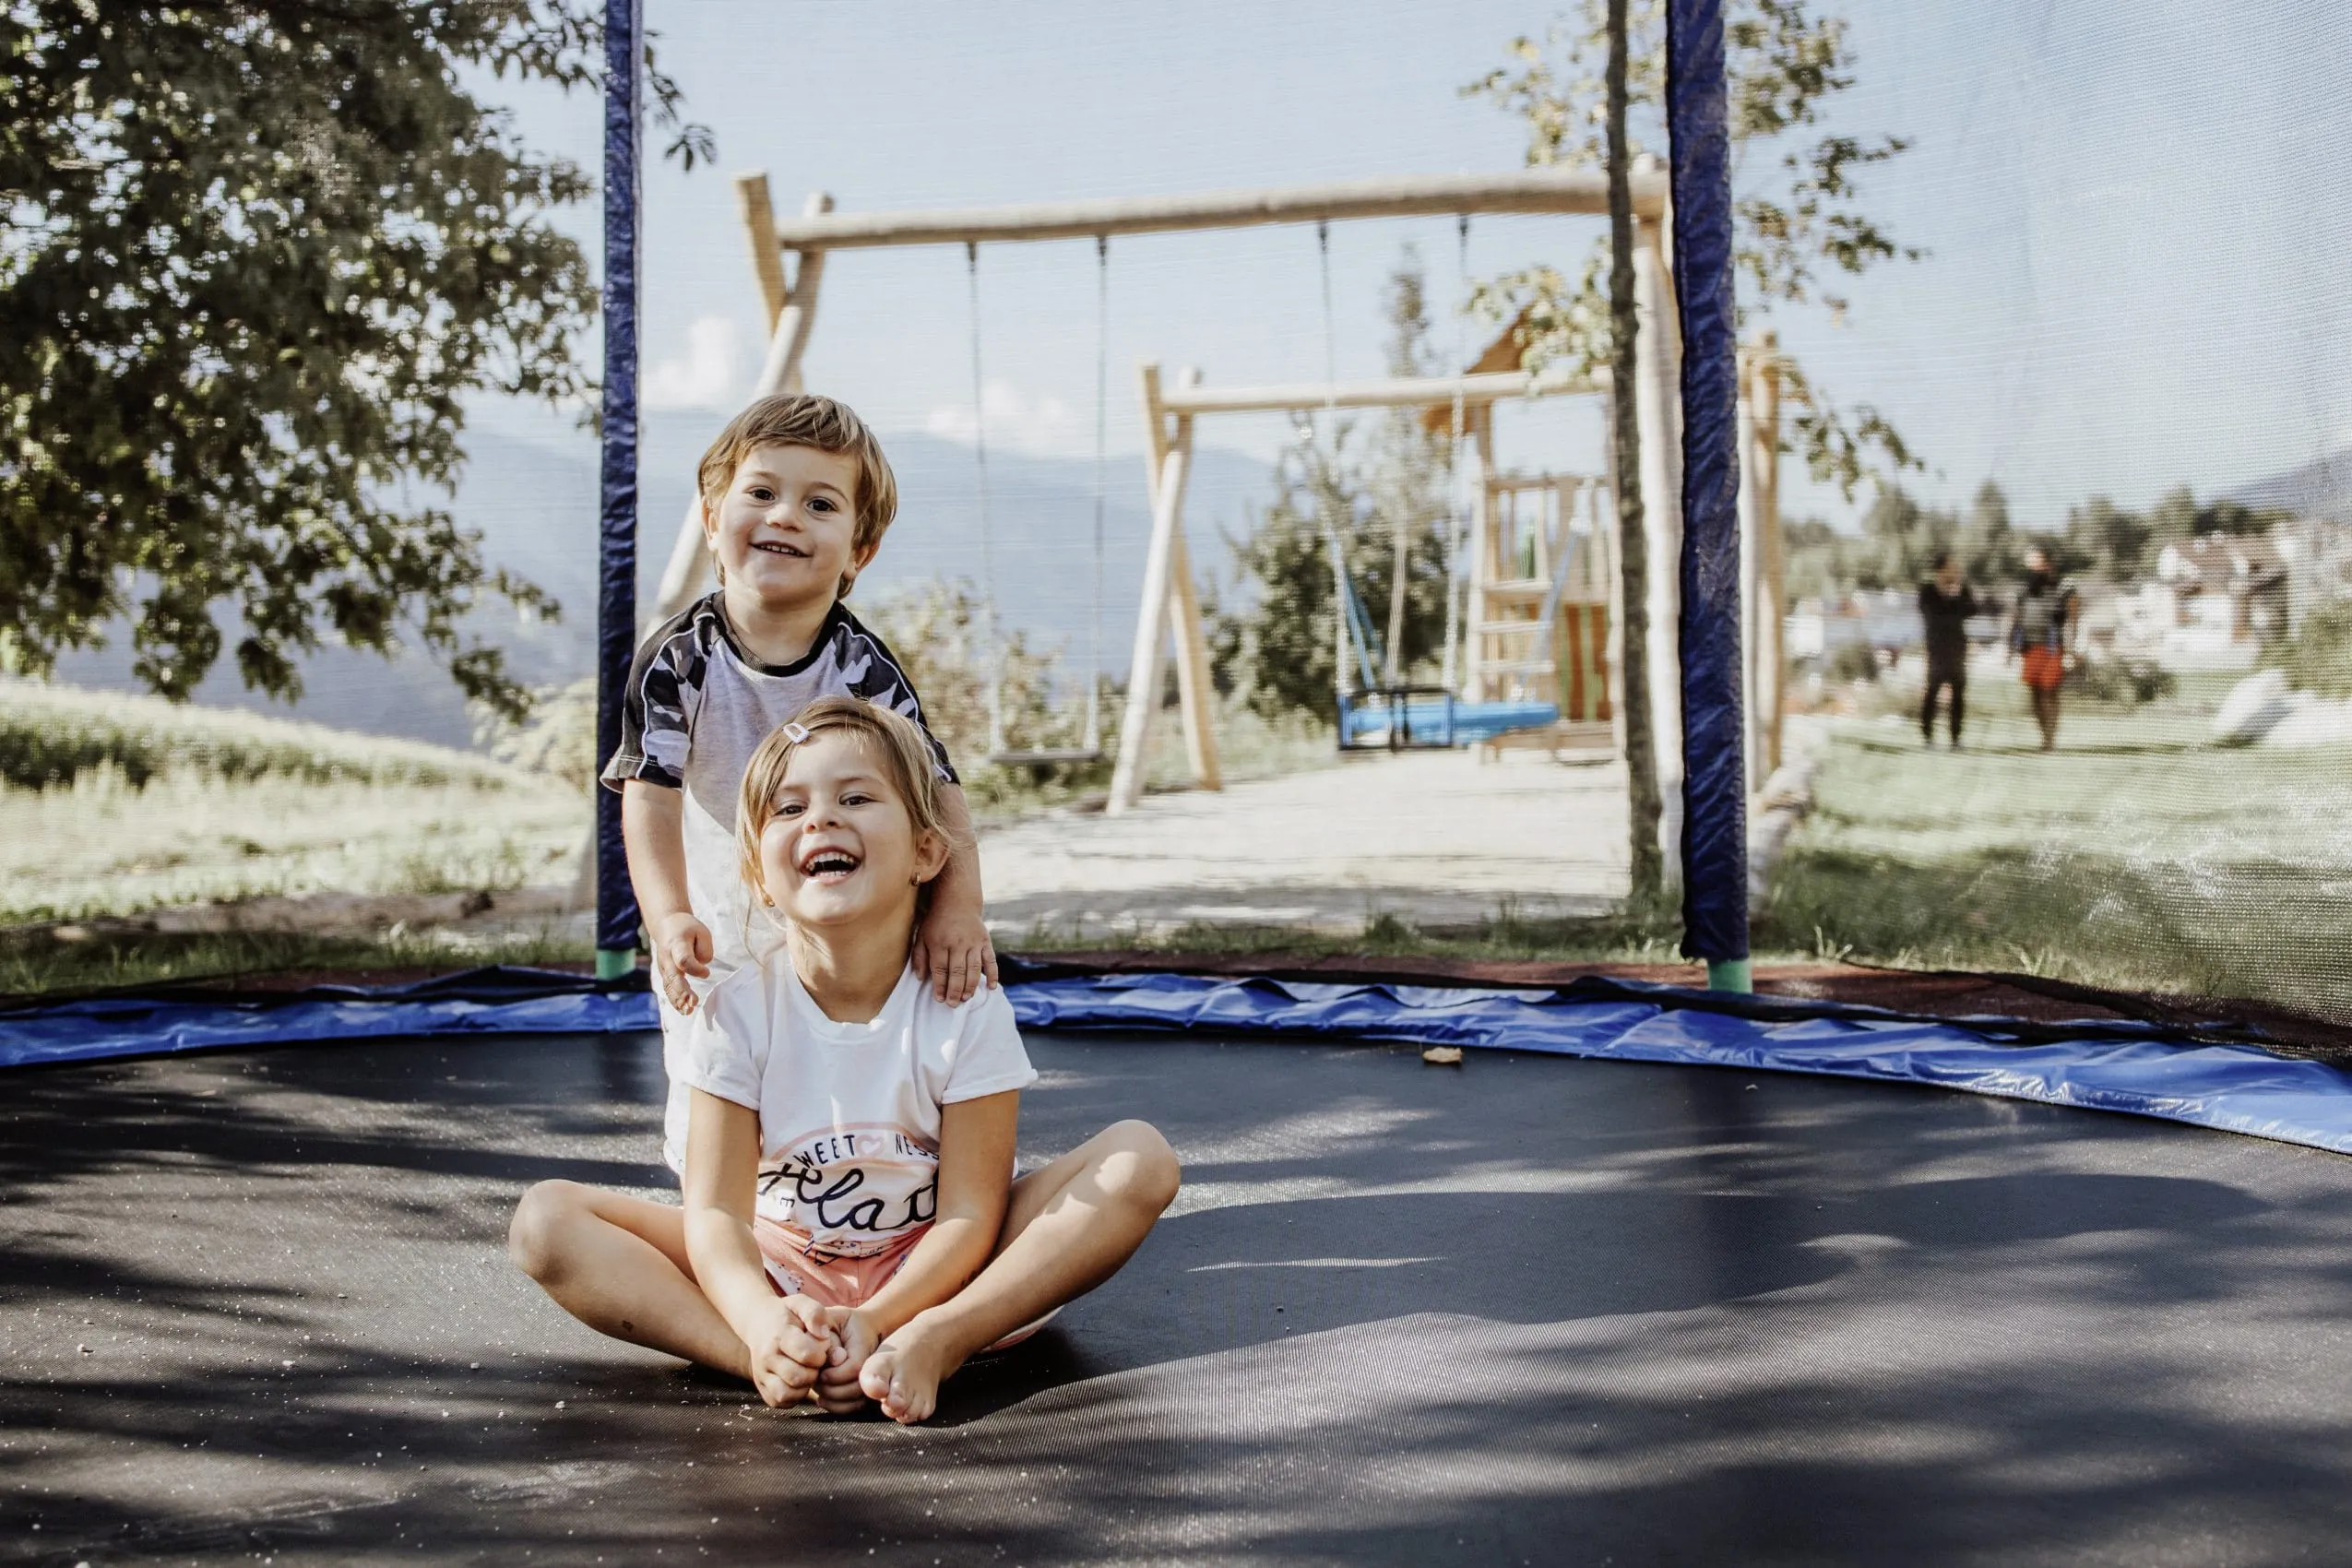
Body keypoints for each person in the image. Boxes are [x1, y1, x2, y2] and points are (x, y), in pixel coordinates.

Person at [510, 698, 1181, 1424]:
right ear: (760, 876)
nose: (820, 820)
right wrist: (762, 1320)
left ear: (927, 853)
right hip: (778, 1269)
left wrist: (885, 1316)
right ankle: (763, 1360)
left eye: (855, 798)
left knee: (1140, 1159)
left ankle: (940, 1341)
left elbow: (966, 1213)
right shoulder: (737, 1011)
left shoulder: (963, 1005)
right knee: (545, 1221)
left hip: (938, 1270)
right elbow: (715, 1215)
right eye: (788, 809)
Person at [601, 394, 998, 1189]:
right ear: (713, 519)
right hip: (721, 920)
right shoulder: (678, 663)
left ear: (860, 550)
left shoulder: (859, 667)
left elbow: (937, 788)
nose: (786, 515)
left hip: (843, 916)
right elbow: (648, 794)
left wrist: (958, 909)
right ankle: (725, 1221)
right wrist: (668, 915)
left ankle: (893, 1186)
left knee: (854, 1062)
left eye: (820, 504)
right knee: (713, 1073)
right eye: (761, 493)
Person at [2009, 545, 2077, 751]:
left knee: (2049, 691)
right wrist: (2011, 646)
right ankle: (2044, 735)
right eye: (2030, 566)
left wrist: (2072, 650)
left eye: (2037, 565)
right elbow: (2016, 618)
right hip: (2030, 647)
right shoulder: (2024, 590)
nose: (2033, 571)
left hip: (2053, 647)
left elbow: (2074, 619)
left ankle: (2050, 739)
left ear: (2048, 565)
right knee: (2036, 693)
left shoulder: (2065, 587)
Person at [1917, 552, 1978, 747]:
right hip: (1936, 649)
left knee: (1958, 692)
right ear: (1941, 570)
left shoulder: (1961, 590)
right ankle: (1928, 736)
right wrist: (1949, 602)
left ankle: (1956, 737)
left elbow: (1973, 610)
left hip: (1957, 648)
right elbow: (1932, 616)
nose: (1955, 572)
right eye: (1952, 568)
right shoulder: (1928, 591)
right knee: (1932, 691)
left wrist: (1958, 594)